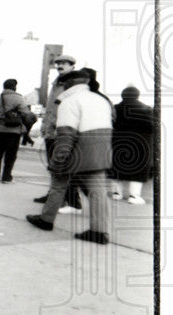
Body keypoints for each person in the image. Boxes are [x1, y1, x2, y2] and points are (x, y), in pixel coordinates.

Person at [26, 68, 113, 243]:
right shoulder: (101, 100)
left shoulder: (69, 102)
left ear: (68, 84)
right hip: (101, 151)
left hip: (77, 151)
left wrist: (58, 160)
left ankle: (46, 220)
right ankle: (99, 231)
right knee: (98, 192)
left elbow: (66, 135)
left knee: (59, 184)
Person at [34, 54, 82, 213]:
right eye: (58, 63)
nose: (60, 65)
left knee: (64, 167)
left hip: (63, 131)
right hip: (51, 131)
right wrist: (44, 125)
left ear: (72, 66)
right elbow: (50, 107)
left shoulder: (72, 83)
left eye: (64, 63)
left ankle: (73, 201)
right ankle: (53, 196)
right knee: (54, 166)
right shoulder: (56, 82)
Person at [110, 85, 154, 205]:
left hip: (118, 142)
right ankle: (134, 196)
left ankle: (116, 193)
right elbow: (151, 127)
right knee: (137, 170)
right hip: (140, 143)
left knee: (117, 167)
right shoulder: (146, 109)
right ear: (137, 95)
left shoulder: (115, 108)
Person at [0, 78, 35, 183]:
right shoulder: (19, 99)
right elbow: (27, 115)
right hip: (13, 131)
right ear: (14, 87)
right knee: (10, 155)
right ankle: (6, 176)